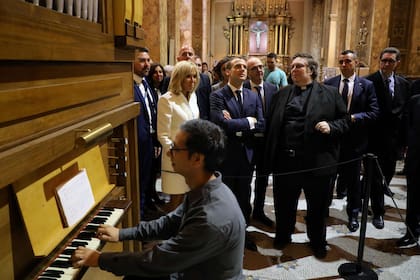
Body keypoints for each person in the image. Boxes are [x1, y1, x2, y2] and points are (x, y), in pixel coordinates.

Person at [71, 119, 246, 280]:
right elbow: (170, 223)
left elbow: (157, 261)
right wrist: (122, 234)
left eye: (175, 148)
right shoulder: (204, 189)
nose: (169, 153)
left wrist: (98, 259)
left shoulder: (211, 218)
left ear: (197, 159)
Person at [264, 53, 349, 258]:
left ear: (311, 70)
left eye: (298, 66)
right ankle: (283, 235)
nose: (293, 70)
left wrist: (331, 126)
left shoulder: (329, 93)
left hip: (316, 161)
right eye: (292, 67)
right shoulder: (281, 94)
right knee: (283, 203)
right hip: (286, 161)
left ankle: (317, 240)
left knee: (317, 206)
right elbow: (270, 125)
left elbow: (345, 121)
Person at [210, 57, 265, 251]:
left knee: (244, 196)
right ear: (227, 72)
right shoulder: (218, 95)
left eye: (244, 66)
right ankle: (224, 236)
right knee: (225, 197)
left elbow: (261, 123)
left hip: (247, 155)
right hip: (227, 155)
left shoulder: (253, 95)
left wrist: (237, 123)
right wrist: (248, 122)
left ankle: (242, 232)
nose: (242, 69)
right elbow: (220, 123)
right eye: (238, 66)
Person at [324, 50, 379, 232]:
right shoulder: (329, 84)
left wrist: (354, 118)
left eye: (348, 61)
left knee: (353, 181)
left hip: (355, 142)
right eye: (341, 61)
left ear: (356, 62)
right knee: (327, 179)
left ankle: (353, 214)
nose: (344, 64)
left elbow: (373, 112)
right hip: (332, 141)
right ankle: (322, 211)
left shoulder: (366, 85)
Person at [365, 47, 411, 229]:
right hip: (374, 139)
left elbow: (406, 114)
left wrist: (405, 141)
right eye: (383, 60)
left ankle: (364, 190)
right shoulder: (368, 82)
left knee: (388, 174)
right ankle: (378, 212)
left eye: (390, 61)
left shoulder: (404, 84)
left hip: (395, 141)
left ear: (397, 63)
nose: (386, 64)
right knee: (376, 178)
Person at [158, 60, 200, 212]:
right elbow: (162, 135)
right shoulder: (166, 99)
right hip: (175, 157)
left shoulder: (193, 96)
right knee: (175, 200)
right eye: (188, 76)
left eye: (195, 76)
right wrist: (175, 154)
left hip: (192, 155)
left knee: (187, 198)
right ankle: (168, 231)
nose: (192, 80)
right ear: (179, 78)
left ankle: (181, 229)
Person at [243, 56, 277, 227]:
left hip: (266, 142)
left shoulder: (272, 88)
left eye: (260, 67)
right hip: (248, 142)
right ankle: (245, 212)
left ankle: (259, 210)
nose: (259, 70)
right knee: (246, 179)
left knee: (263, 179)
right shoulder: (242, 89)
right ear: (248, 73)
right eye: (254, 68)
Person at [132, 47, 161, 219]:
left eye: (148, 60)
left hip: (149, 142)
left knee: (146, 182)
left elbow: (152, 113)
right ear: (131, 62)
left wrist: (156, 141)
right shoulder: (129, 85)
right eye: (142, 60)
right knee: (138, 183)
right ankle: (138, 220)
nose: (147, 64)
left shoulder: (146, 84)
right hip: (138, 143)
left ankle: (143, 215)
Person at [396, 79, 420, 248]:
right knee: (414, 197)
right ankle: (412, 231)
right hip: (416, 159)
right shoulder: (415, 101)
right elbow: (407, 128)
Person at [162, 45, 212, 120]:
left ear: (194, 58)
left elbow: (208, 102)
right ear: (178, 59)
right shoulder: (169, 80)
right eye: (184, 54)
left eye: (190, 54)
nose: (187, 56)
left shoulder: (205, 79)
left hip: (201, 121)